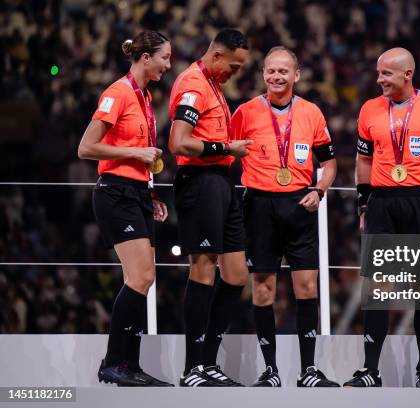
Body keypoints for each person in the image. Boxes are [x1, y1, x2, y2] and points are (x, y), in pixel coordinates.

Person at [343, 47, 420, 388]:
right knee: (377, 287)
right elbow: (363, 162)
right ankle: (370, 371)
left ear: (407, 74)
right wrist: (364, 205)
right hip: (382, 202)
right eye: (378, 73)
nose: (379, 79)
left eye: (386, 74)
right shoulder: (369, 109)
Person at [231, 46, 339, 387]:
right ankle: (271, 370)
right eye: (270, 71)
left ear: (297, 75)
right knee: (263, 290)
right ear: (263, 73)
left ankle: (308, 370)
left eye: (283, 71)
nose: (276, 77)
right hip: (259, 205)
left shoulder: (311, 113)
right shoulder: (245, 112)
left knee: (306, 287)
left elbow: (331, 165)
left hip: (300, 204)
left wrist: (319, 190)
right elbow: (225, 156)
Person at [77, 30, 173, 386]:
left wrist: (150, 193)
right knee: (141, 277)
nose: (168, 64)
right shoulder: (118, 93)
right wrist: (135, 153)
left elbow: (137, 155)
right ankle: (114, 362)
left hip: (135, 192)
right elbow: (86, 148)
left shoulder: (145, 96)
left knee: (142, 279)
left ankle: (127, 364)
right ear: (145, 58)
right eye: (164, 57)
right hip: (114, 193)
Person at [168, 28, 251, 387]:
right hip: (200, 183)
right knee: (202, 272)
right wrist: (226, 149)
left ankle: (208, 362)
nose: (235, 73)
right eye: (233, 65)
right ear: (217, 55)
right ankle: (192, 369)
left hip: (221, 184)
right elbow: (179, 142)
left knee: (236, 275)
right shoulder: (193, 84)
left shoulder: (213, 84)